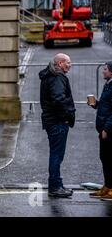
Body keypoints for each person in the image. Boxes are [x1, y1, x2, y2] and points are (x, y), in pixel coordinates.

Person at [39, 53, 76, 198]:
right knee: (56, 155)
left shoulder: (49, 75)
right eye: (68, 62)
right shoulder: (57, 78)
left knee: (55, 154)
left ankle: (56, 185)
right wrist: (67, 116)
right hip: (57, 122)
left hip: (51, 121)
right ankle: (55, 187)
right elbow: (58, 100)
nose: (70, 65)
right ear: (60, 63)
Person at [88, 61, 112, 200]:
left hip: (109, 130)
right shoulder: (108, 84)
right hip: (103, 129)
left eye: (105, 69)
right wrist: (95, 104)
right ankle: (107, 186)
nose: (103, 71)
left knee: (110, 159)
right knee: (105, 158)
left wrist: (107, 128)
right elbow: (106, 106)